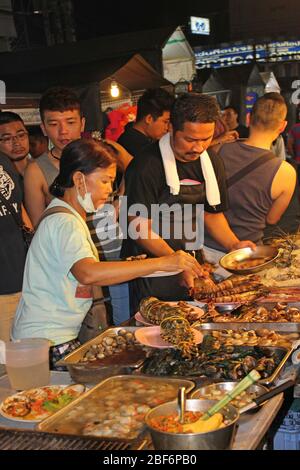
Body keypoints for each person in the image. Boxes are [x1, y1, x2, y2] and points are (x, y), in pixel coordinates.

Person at [12, 139, 203, 367]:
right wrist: (161, 262)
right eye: (104, 181)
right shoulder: (64, 221)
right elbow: (88, 273)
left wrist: (156, 265)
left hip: (52, 336)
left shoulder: (69, 215)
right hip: (45, 341)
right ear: (78, 179)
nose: (109, 190)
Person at [122, 93, 254, 313]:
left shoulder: (211, 162)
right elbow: (138, 228)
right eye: (190, 140)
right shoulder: (145, 166)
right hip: (151, 268)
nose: (198, 147)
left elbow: (211, 214)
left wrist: (234, 245)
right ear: (171, 128)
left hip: (192, 262)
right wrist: (175, 262)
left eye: (206, 139)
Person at [205, 93, 297, 258]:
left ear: (248, 118)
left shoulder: (218, 150)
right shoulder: (286, 172)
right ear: (282, 126)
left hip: (205, 248)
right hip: (247, 254)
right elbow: (272, 219)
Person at [24, 87, 86, 228]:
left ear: (82, 124)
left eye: (70, 122)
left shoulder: (102, 153)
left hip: (116, 246)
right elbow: (40, 228)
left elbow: (136, 171)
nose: (63, 131)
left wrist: (119, 200)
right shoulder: (36, 171)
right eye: (53, 124)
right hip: (70, 248)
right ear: (44, 128)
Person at [0, 150, 31, 342]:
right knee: (5, 364)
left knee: (26, 358)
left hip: (24, 280)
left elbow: (20, 210)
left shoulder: (3, 159)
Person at [117, 88, 174, 157]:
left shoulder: (127, 136)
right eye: (165, 122)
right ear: (149, 119)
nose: (167, 128)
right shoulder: (141, 148)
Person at [0, 112, 30, 196]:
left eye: (21, 135)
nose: (17, 143)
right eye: (7, 138)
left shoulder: (41, 169)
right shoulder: (3, 180)